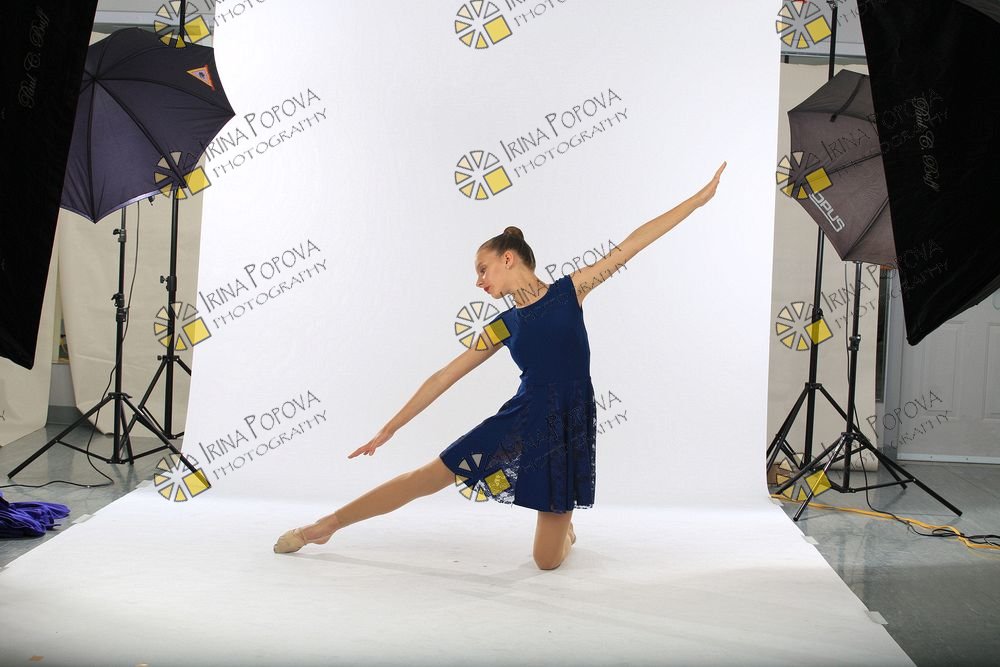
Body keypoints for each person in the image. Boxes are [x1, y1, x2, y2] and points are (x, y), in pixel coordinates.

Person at [274, 161, 727, 569]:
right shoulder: (503, 325)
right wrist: (389, 429)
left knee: (545, 562)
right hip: (523, 416)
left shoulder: (570, 291)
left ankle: (565, 531)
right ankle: (324, 527)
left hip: (566, 424)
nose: (479, 281)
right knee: (429, 476)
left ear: (507, 258)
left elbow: (630, 246)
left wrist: (698, 200)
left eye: (482, 269)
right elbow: (444, 376)